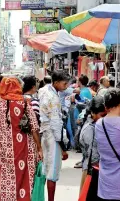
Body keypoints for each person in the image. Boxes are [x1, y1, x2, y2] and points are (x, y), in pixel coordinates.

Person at [0, 76, 42, 201]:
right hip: (25, 146)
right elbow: (34, 127)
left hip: (5, 148)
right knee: (25, 174)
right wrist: (39, 148)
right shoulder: (25, 102)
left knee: (6, 175)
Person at [39, 71, 70, 201]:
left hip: (45, 133)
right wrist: (62, 145)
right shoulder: (53, 97)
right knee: (52, 171)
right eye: (64, 83)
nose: (66, 86)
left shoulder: (44, 91)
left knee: (46, 169)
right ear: (56, 82)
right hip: (52, 135)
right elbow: (56, 123)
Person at [79, 96, 106, 192]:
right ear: (93, 113)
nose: (104, 118)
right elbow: (91, 155)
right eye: (102, 115)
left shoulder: (94, 125)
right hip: (92, 169)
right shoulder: (91, 129)